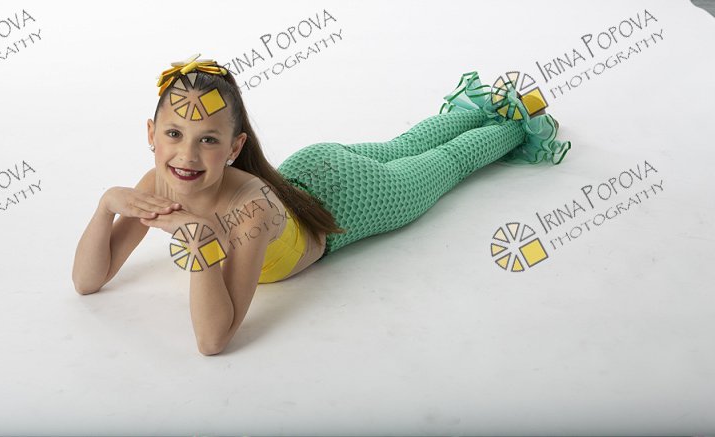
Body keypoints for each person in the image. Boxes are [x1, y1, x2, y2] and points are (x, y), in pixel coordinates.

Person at [72, 54, 570, 356]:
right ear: (151, 133)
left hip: (362, 199)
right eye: (174, 134)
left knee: (447, 162)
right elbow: (87, 282)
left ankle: (514, 122)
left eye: (208, 140)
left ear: (235, 147)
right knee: (403, 144)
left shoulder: (250, 209)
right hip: (311, 168)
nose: (186, 155)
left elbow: (213, 340)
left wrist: (200, 240)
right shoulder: (154, 185)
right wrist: (106, 207)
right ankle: (490, 107)